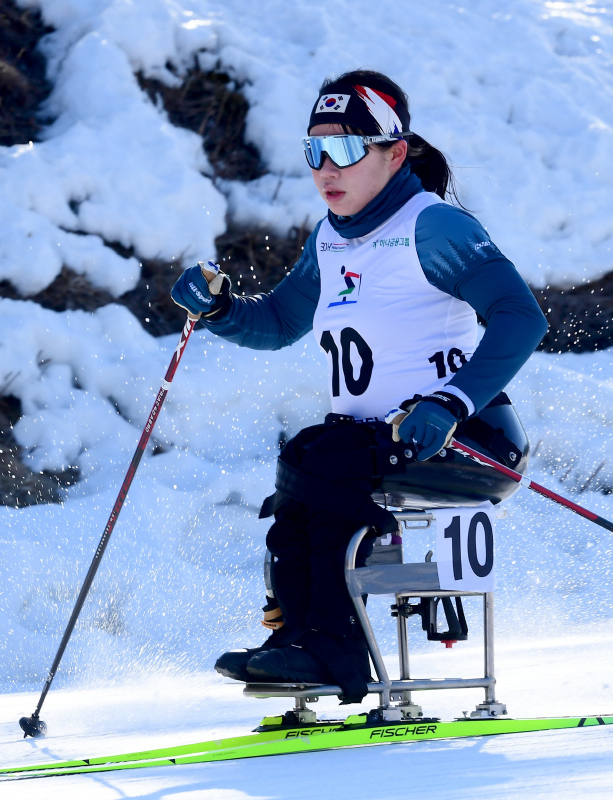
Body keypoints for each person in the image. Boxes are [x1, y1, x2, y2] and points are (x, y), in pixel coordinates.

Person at [171, 70, 547, 703]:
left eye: (346, 149)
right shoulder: (330, 238)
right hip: (374, 442)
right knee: (304, 466)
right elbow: (279, 323)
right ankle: (297, 643)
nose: (326, 168)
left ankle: (333, 651)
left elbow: (521, 318)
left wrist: (450, 401)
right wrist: (220, 310)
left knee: (321, 460)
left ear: (395, 153)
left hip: (466, 437)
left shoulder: (433, 228)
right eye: (314, 150)